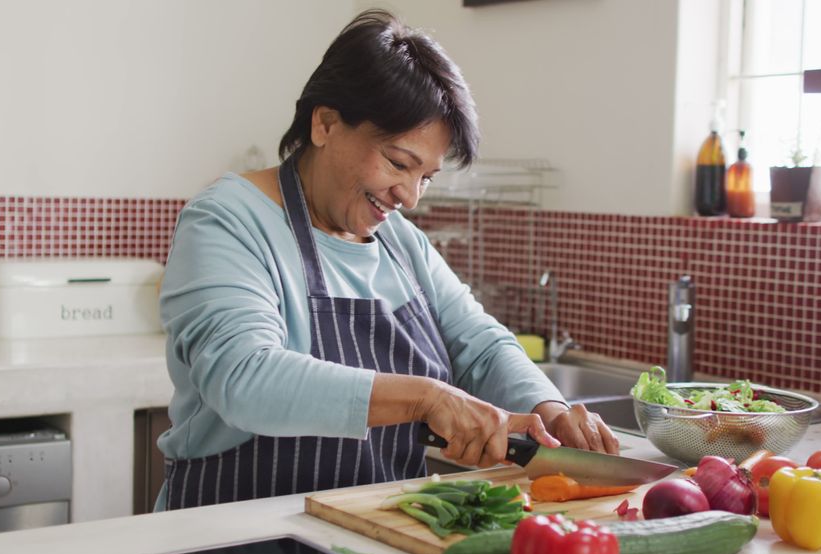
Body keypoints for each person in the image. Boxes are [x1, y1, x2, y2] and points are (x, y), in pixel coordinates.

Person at [156, 8, 617, 510]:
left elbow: (480, 347)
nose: (411, 196)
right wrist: (428, 398)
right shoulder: (227, 220)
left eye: (427, 177)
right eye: (399, 163)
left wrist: (546, 408)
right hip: (238, 539)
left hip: (378, 531)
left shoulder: (400, 242)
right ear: (325, 123)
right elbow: (244, 377)